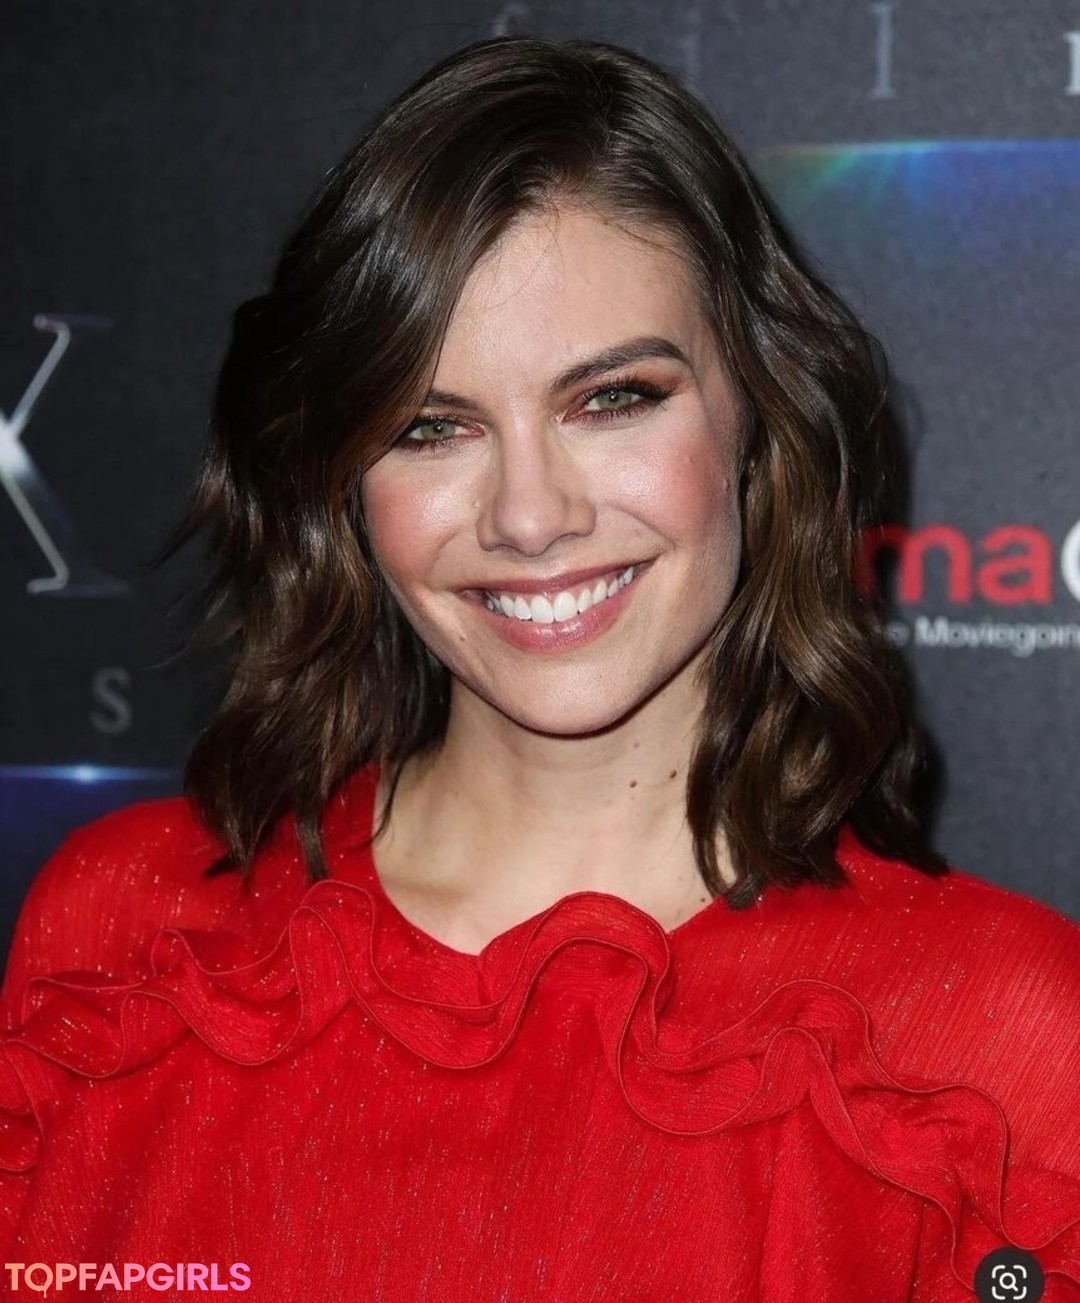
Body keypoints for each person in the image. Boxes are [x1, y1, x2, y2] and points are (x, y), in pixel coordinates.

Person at [1, 33, 1077, 1302]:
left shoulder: (1002, 1043)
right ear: (341, 483)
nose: (528, 515)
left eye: (612, 399)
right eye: (431, 426)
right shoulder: (120, 935)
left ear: (760, 413)